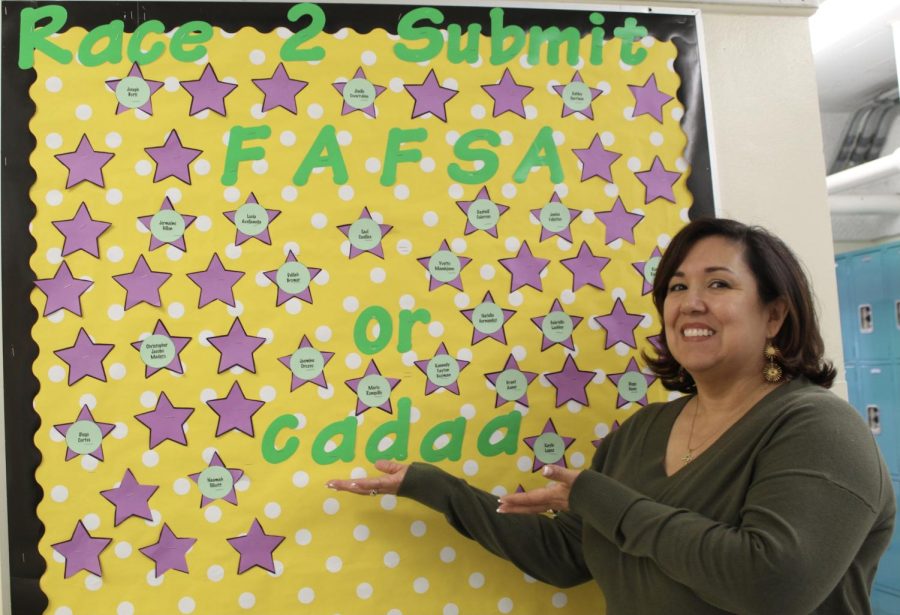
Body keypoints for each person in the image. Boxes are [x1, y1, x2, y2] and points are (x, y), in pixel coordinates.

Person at [328, 217, 896, 614]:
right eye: (676, 287)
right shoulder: (644, 433)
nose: (690, 302)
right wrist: (431, 486)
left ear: (774, 315)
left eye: (718, 284)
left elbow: (772, 585)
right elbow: (567, 556)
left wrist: (602, 498)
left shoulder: (817, 427)